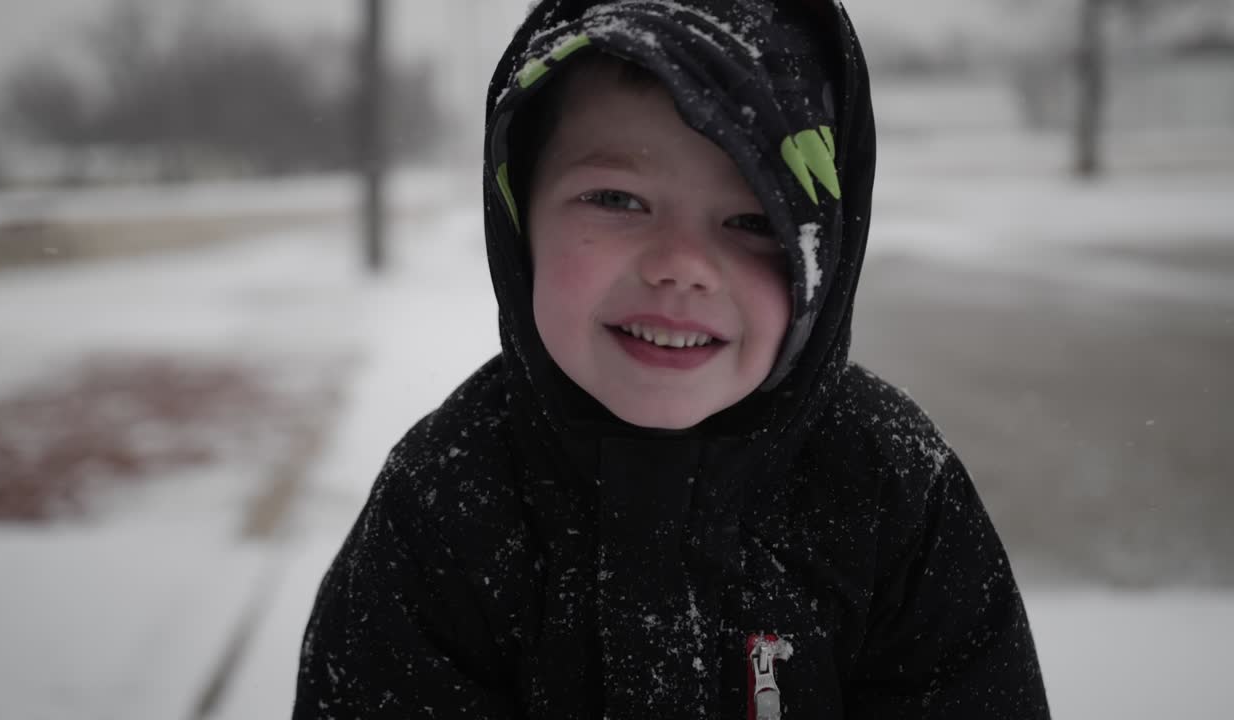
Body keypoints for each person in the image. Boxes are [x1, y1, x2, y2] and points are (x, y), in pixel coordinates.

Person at [294, 1, 1050, 718]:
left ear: (823, 255)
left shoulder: (894, 493)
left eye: (754, 219)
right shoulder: (441, 506)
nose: (682, 265)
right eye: (618, 200)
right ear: (519, 215)